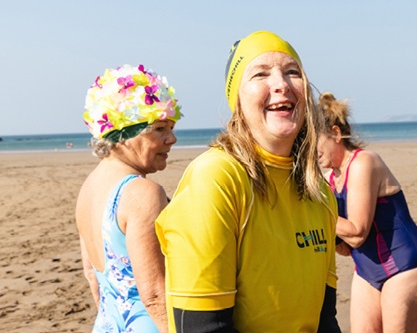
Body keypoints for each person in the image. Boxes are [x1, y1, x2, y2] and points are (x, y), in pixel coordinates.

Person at [155, 31, 341, 332]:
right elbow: (202, 327)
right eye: (260, 74)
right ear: (237, 101)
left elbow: (325, 320)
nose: (281, 84)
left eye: (292, 72)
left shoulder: (318, 191)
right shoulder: (216, 179)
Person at [74, 65, 181, 332]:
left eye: (171, 127)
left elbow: (93, 278)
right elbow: (155, 295)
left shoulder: (88, 189)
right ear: (123, 135)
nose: (172, 138)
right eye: (159, 129)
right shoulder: (142, 193)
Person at [317, 93, 417, 333]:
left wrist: (315, 211)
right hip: (366, 272)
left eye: (313, 141)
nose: (310, 150)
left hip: (403, 266)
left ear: (336, 134)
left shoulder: (363, 162)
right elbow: (347, 248)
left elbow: (358, 232)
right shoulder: (330, 180)